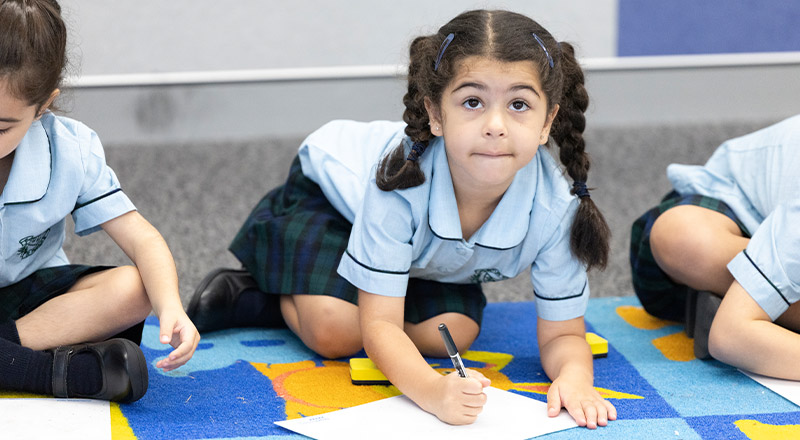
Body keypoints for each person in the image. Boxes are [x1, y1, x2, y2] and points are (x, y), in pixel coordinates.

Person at [190, 9, 616, 427]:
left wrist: (576, 377)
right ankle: (263, 291)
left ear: (548, 122)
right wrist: (433, 392)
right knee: (336, 330)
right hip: (334, 203)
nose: (496, 125)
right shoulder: (398, 181)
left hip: (428, 257)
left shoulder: (557, 205)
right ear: (435, 114)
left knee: (455, 333)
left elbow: (563, 336)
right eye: (472, 101)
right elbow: (379, 327)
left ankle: (378, 285)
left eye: (519, 104)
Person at [0, 0, 199, 403]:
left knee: (135, 288)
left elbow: (142, 239)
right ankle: (46, 372)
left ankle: (9, 350)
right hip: (37, 330)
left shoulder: (71, 149)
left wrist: (171, 306)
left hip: (28, 304)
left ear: (42, 107)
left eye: (1, 127)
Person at [630, 115, 800, 369]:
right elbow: (730, 336)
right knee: (680, 236)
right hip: (730, 211)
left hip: (779, 247)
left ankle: (762, 310)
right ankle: (754, 302)